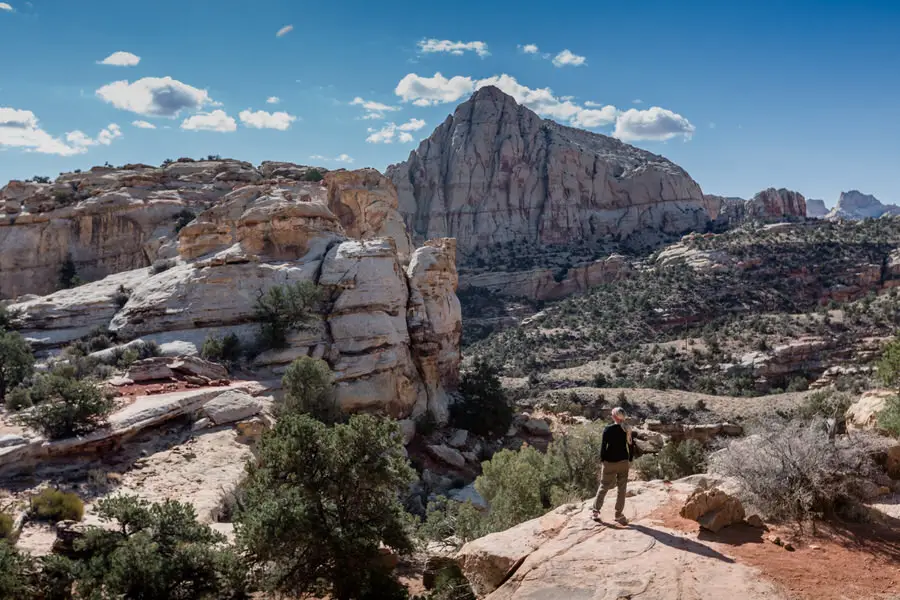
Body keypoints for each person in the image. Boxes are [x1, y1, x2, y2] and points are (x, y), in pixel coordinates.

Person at [592, 407, 635, 524]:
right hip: (623, 462)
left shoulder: (608, 429)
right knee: (622, 489)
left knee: (604, 486)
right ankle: (619, 514)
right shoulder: (627, 429)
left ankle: (596, 511)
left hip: (609, 462)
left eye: (612, 414)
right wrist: (630, 458)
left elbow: (603, 446)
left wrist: (602, 459)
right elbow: (631, 445)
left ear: (614, 417)